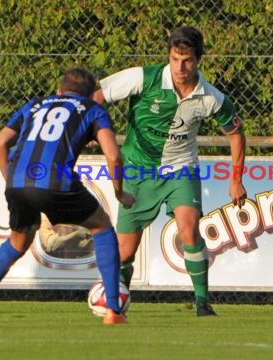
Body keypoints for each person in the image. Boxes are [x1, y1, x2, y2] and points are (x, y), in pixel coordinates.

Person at [0, 67, 135, 325]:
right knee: (102, 228)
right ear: (90, 95)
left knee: (17, 243)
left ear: (59, 91)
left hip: (17, 180)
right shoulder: (93, 109)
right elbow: (114, 155)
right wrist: (119, 192)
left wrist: (12, 182)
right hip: (55, 180)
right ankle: (113, 312)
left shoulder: (34, 105)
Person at [92, 26, 247, 316]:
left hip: (181, 170)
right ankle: (116, 303)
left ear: (198, 59)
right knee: (125, 251)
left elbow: (236, 134)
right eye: (175, 59)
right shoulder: (144, 77)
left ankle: (202, 302)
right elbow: (98, 96)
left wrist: (235, 180)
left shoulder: (210, 97)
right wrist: (95, 128)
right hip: (137, 170)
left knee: (189, 230)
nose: (180, 67)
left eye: (187, 60)